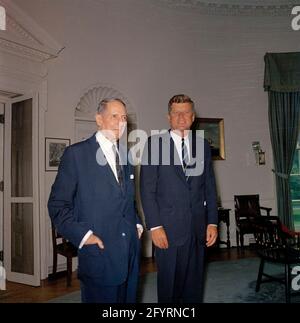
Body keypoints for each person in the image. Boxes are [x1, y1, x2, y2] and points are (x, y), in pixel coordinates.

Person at [48, 98, 142, 303]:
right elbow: (57, 205)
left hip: (130, 253)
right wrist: (83, 236)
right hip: (100, 255)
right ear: (99, 119)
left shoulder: (126, 157)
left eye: (124, 117)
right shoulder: (77, 154)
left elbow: (127, 200)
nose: (121, 122)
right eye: (114, 116)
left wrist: (136, 223)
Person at [140, 94, 218, 303]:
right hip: (167, 230)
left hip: (198, 229)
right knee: (169, 290)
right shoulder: (154, 144)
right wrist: (155, 226)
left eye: (186, 113)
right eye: (177, 113)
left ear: (193, 117)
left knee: (194, 288)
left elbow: (209, 187)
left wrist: (212, 221)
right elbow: (147, 190)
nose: (181, 117)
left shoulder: (202, 146)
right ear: (169, 117)